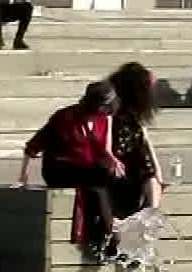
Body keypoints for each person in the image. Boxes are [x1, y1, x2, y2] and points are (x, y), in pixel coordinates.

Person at [18, 80, 120, 260]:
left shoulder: (104, 119)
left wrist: (113, 161)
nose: (106, 112)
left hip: (87, 170)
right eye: (104, 108)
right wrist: (23, 175)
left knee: (105, 181)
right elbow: (33, 146)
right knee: (96, 184)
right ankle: (110, 234)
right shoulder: (64, 118)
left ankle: (106, 234)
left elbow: (104, 150)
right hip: (59, 168)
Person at [107, 62, 165, 216]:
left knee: (151, 180)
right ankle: (150, 214)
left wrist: (157, 171)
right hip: (120, 173)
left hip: (132, 172)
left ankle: (151, 214)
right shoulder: (115, 118)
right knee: (150, 179)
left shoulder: (131, 118)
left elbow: (144, 144)